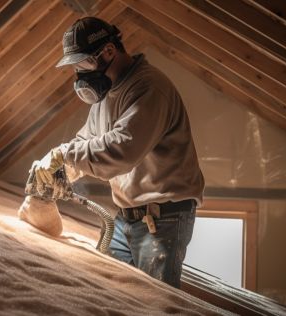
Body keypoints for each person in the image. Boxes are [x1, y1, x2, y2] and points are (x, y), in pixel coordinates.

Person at [30, 16, 205, 289]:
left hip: (163, 220)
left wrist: (65, 154)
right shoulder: (104, 99)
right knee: (113, 292)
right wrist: (58, 172)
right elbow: (86, 143)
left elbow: (122, 150)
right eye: (75, 67)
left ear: (109, 51)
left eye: (84, 64)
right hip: (126, 217)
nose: (80, 75)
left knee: (153, 303)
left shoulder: (149, 88)